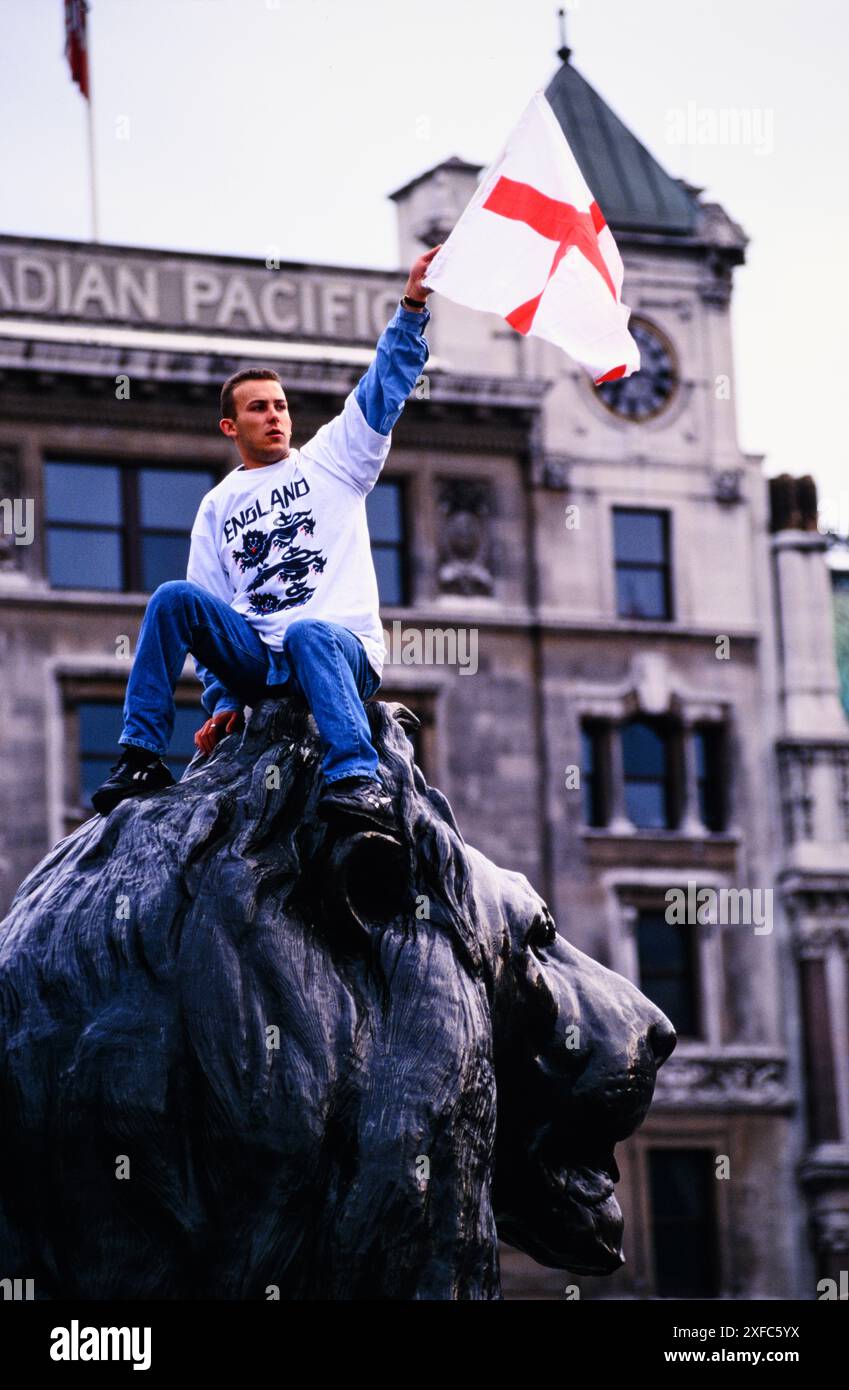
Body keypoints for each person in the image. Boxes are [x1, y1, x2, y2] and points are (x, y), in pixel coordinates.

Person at [91, 246, 440, 831]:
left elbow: (385, 385)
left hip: (338, 652)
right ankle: (142, 754)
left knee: (307, 632)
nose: (276, 416)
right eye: (259, 409)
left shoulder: (334, 461)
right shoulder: (218, 504)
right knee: (173, 598)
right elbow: (212, 621)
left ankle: (356, 777)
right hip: (258, 657)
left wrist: (412, 305)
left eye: (281, 406)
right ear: (231, 426)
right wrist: (226, 702)